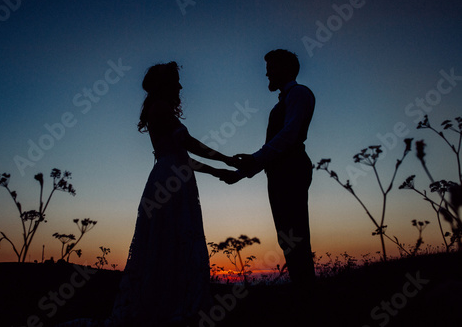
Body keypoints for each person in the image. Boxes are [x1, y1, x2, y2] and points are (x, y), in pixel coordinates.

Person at [56, 61, 235, 327]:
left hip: (174, 176)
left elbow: (183, 157)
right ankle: (168, 308)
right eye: (176, 82)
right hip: (169, 182)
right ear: (165, 85)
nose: (181, 86)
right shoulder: (160, 108)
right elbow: (189, 145)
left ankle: (170, 304)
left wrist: (219, 171)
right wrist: (227, 161)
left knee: (170, 241)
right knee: (169, 239)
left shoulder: (159, 109)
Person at [221, 49, 316, 318]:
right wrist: (241, 173)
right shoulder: (281, 102)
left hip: (292, 170)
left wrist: (252, 160)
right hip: (278, 172)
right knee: (287, 236)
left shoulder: (300, 94)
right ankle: (304, 296)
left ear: (286, 69)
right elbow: (272, 147)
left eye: (271, 67)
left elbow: (288, 136)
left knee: (296, 234)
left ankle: (307, 300)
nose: (266, 73)